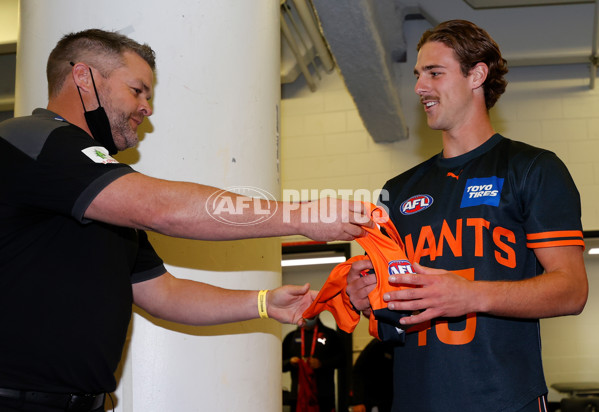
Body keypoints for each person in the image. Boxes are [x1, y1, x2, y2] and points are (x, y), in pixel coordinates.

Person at [0, 29, 373, 412]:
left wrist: (264, 303)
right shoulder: (32, 140)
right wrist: (300, 215)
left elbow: (164, 294)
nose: (147, 107)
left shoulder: (98, 190)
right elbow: (162, 208)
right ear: (84, 77)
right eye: (137, 90)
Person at [345, 20, 588, 412]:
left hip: (505, 400)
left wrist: (470, 294)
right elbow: (392, 307)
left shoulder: (531, 168)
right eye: (418, 75)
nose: (419, 87)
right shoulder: (398, 189)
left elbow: (572, 290)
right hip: (415, 399)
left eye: (434, 72)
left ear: (477, 74)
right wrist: (365, 297)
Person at [282, 316, 345, 412]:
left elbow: (342, 360)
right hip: (298, 396)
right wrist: (290, 362)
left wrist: (322, 364)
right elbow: (281, 365)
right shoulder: (291, 337)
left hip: (323, 396)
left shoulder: (330, 334)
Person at [350, 339, 394, 412]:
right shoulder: (378, 344)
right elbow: (358, 371)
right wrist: (358, 401)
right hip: (372, 399)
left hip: (391, 399)